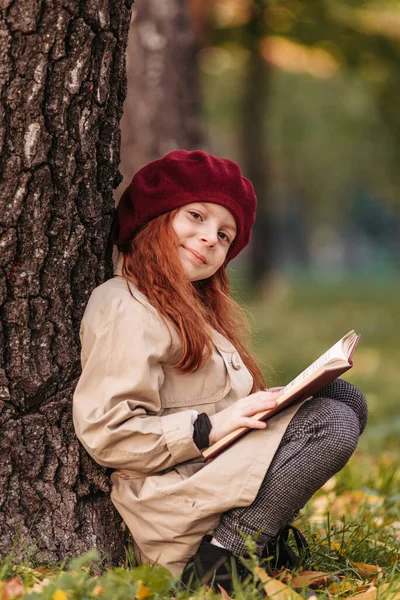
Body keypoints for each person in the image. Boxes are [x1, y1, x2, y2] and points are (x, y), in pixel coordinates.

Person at [72, 149, 367, 592]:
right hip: (171, 501)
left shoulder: (191, 308)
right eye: (195, 216)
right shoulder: (125, 305)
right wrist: (211, 427)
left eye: (225, 235)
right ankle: (218, 564)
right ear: (155, 216)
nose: (210, 237)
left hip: (210, 475)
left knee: (344, 397)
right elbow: (109, 433)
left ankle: (245, 541)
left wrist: (278, 401)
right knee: (333, 423)